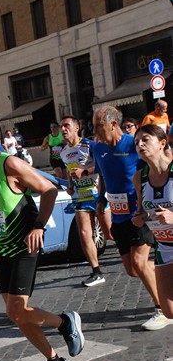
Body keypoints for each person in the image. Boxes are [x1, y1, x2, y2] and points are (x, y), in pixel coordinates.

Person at [0, 120, 85, 361]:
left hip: (26, 242)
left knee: (17, 307)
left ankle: (65, 322)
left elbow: (49, 189)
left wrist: (39, 226)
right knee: (15, 313)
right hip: (5, 245)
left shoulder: (9, 165)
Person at [93, 105, 171, 330]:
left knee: (139, 261)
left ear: (113, 124)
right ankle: (165, 282)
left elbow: (157, 165)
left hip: (141, 213)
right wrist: (101, 198)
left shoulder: (133, 144)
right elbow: (102, 175)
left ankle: (161, 308)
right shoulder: (98, 149)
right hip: (118, 218)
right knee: (132, 269)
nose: (96, 131)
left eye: (99, 126)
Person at [60, 115, 109, 286]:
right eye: (61, 127)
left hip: (98, 193)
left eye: (66, 125)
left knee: (110, 233)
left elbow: (102, 165)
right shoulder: (64, 151)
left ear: (76, 128)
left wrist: (85, 172)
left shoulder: (89, 145)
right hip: (81, 196)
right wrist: (71, 185)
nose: (63, 129)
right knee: (83, 234)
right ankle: (96, 271)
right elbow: (69, 170)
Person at [132, 125, 173, 321]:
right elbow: (141, 209)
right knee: (169, 310)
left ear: (163, 143)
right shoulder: (139, 177)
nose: (140, 144)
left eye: (145, 139)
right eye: (136, 142)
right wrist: (139, 217)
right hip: (164, 246)